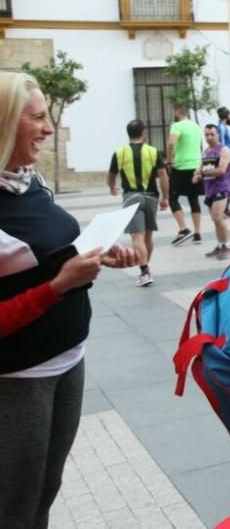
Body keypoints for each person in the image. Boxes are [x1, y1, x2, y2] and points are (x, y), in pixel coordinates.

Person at [0, 73, 140, 528]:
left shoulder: (29, 182)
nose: (49, 128)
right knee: (14, 503)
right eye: (37, 117)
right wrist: (57, 287)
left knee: (44, 490)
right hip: (18, 377)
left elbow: (48, 253)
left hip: (67, 360)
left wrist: (100, 253)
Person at [106, 119, 169, 286]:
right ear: (144, 133)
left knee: (137, 236)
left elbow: (111, 175)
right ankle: (146, 267)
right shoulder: (153, 152)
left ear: (128, 134)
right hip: (151, 197)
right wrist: (165, 198)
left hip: (132, 197)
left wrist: (112, 187)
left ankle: (144, 271)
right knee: (148, 235)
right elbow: (163, 176)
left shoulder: (120, 153)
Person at [194, 124, 230, 260]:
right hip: (209, 189)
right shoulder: (206, 151)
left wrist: (203, 174)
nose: (209, 137)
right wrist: (196, 174)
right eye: (207, 135)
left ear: (218, 135)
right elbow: (200, 167)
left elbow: (222, 170)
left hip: (221, 188)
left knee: (218, 216)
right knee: (215, 219)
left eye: (212, 134)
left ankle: (227, 246)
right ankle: (220, 244)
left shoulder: (224, 150)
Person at [166, 105, 203, 246]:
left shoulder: (177, 126)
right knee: (193, 199)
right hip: (195, 166)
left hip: (181, 167)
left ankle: (183, 228)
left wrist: (169, 161)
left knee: (173, 197)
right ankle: (198, 233)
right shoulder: (196, 127)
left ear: (177, 112)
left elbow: (171, 144)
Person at [217, 106, 230, 218]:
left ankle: (225, 208)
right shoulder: (221, 128)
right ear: (227, 115)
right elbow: (223, 146)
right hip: (227, 160)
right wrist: (229, 162)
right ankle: (223, 208)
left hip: (228, 159)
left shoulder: (223, 127)